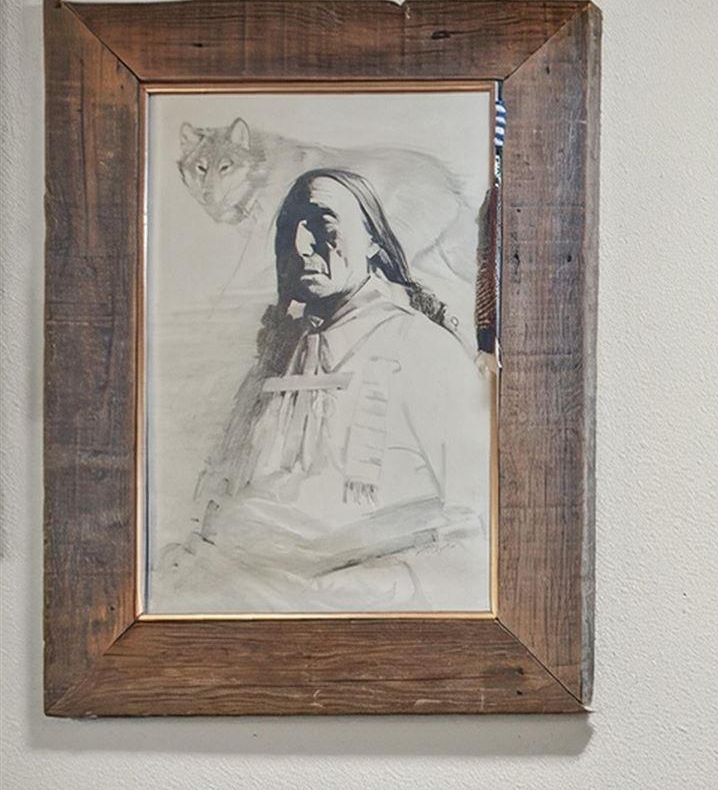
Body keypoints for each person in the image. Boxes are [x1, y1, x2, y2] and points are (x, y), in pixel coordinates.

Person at [153, 166, 490, 613]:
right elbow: (220, 498)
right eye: (291, 228)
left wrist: (341, 592)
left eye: (322, 224)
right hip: (235, 587)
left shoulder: (424, 351)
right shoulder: (277, 358)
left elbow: (473, 540)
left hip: (350, 604)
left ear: (373, 240)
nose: (301, 246)